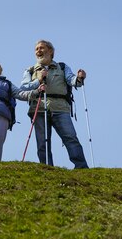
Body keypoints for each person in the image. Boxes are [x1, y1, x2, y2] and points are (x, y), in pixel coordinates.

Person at [20, 40, 89, 169]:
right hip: (39, 107)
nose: (38, 51)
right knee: (42, 142)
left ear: (51, 51)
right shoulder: (30, 70)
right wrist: (38, 80)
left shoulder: (62, 67)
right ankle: (47, 168)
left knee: (70, 137)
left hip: (60, 107)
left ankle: (81, 167)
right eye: (36, 49)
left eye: (41, 48)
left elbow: (73, 81)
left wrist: (79, 78)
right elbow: (23, 89)